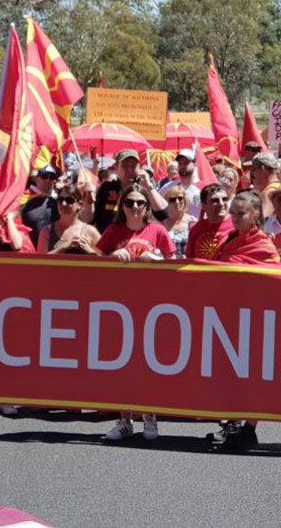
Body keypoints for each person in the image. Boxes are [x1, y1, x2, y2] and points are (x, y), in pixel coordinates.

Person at [96, 184, 176, 441]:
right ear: (122, 206)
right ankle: (124, 419)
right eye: (129, 203)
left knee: (149, 363)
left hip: (152, 306)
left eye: (140, 203)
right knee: (122, 363)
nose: (135, 207)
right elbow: (93, 263)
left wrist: (158, 261)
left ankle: (150, 417)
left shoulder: (157, 230)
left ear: (147, 207)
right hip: (119, 306)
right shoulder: (113, 230)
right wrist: (111, 257)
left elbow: (176, 265)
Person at [211, 190, 280, 449]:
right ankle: (232, 423)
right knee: (230, 374)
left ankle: (249, 429)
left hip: (254, 319)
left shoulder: (263, 244)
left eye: (241, 214)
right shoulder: (228, 238)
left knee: (251, 377)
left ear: (255, 216)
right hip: (227, 315)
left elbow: (273, 282)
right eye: (233, 213)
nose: (235, 218)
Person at [92, 149, 168, 233]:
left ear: (139, 168)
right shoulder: (107, 187)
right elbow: (93, 218)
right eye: (125, 166)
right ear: (117, 168)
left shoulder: (144, 188)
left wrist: (149, 186)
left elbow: (163, 214)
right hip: (109, 239)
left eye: (133, 166)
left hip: (137, 239)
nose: (129, 170)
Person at [37, 184, 100, 255]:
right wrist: (64, 247)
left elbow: (105, 261)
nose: (63, 204)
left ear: (80, 204)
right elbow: (39, 262)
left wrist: (89, 251)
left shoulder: (90, 231)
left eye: (69, 200)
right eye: (60, 200)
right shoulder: (47, 231)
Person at [185, 183, 233, 260]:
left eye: (224, 199)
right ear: (204, 205)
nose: (221, 204)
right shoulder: (196, 229)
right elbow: (190, 259)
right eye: (215, 200)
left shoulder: (239, 225)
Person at [21, 165, 59, 246]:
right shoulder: (23, 201)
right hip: (30, 253)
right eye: (44, 176)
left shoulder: (60, 203)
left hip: (53, 254)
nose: (48, 180)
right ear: (35, 179)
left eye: (52, 177)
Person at [160, 149, 201, 218]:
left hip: (198, 227)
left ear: (195, 164)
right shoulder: (169, 187)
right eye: (180, 163)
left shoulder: (202, 187)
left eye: (186, 163)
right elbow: (157, 204)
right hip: (175, 227)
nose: (182, 166)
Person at [161, 185, 197, 257]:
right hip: (167, 264)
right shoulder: (161, 223)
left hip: (187, 264)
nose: (177, 202)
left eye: (180, 198)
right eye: (172, 199)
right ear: (167, 202)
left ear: (185, 200)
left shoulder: (192, 222)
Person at [250, 152, 281, 218]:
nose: (252, 173)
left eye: (253, 169)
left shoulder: (269, 192)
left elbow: (263, 219)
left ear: (262, 169)